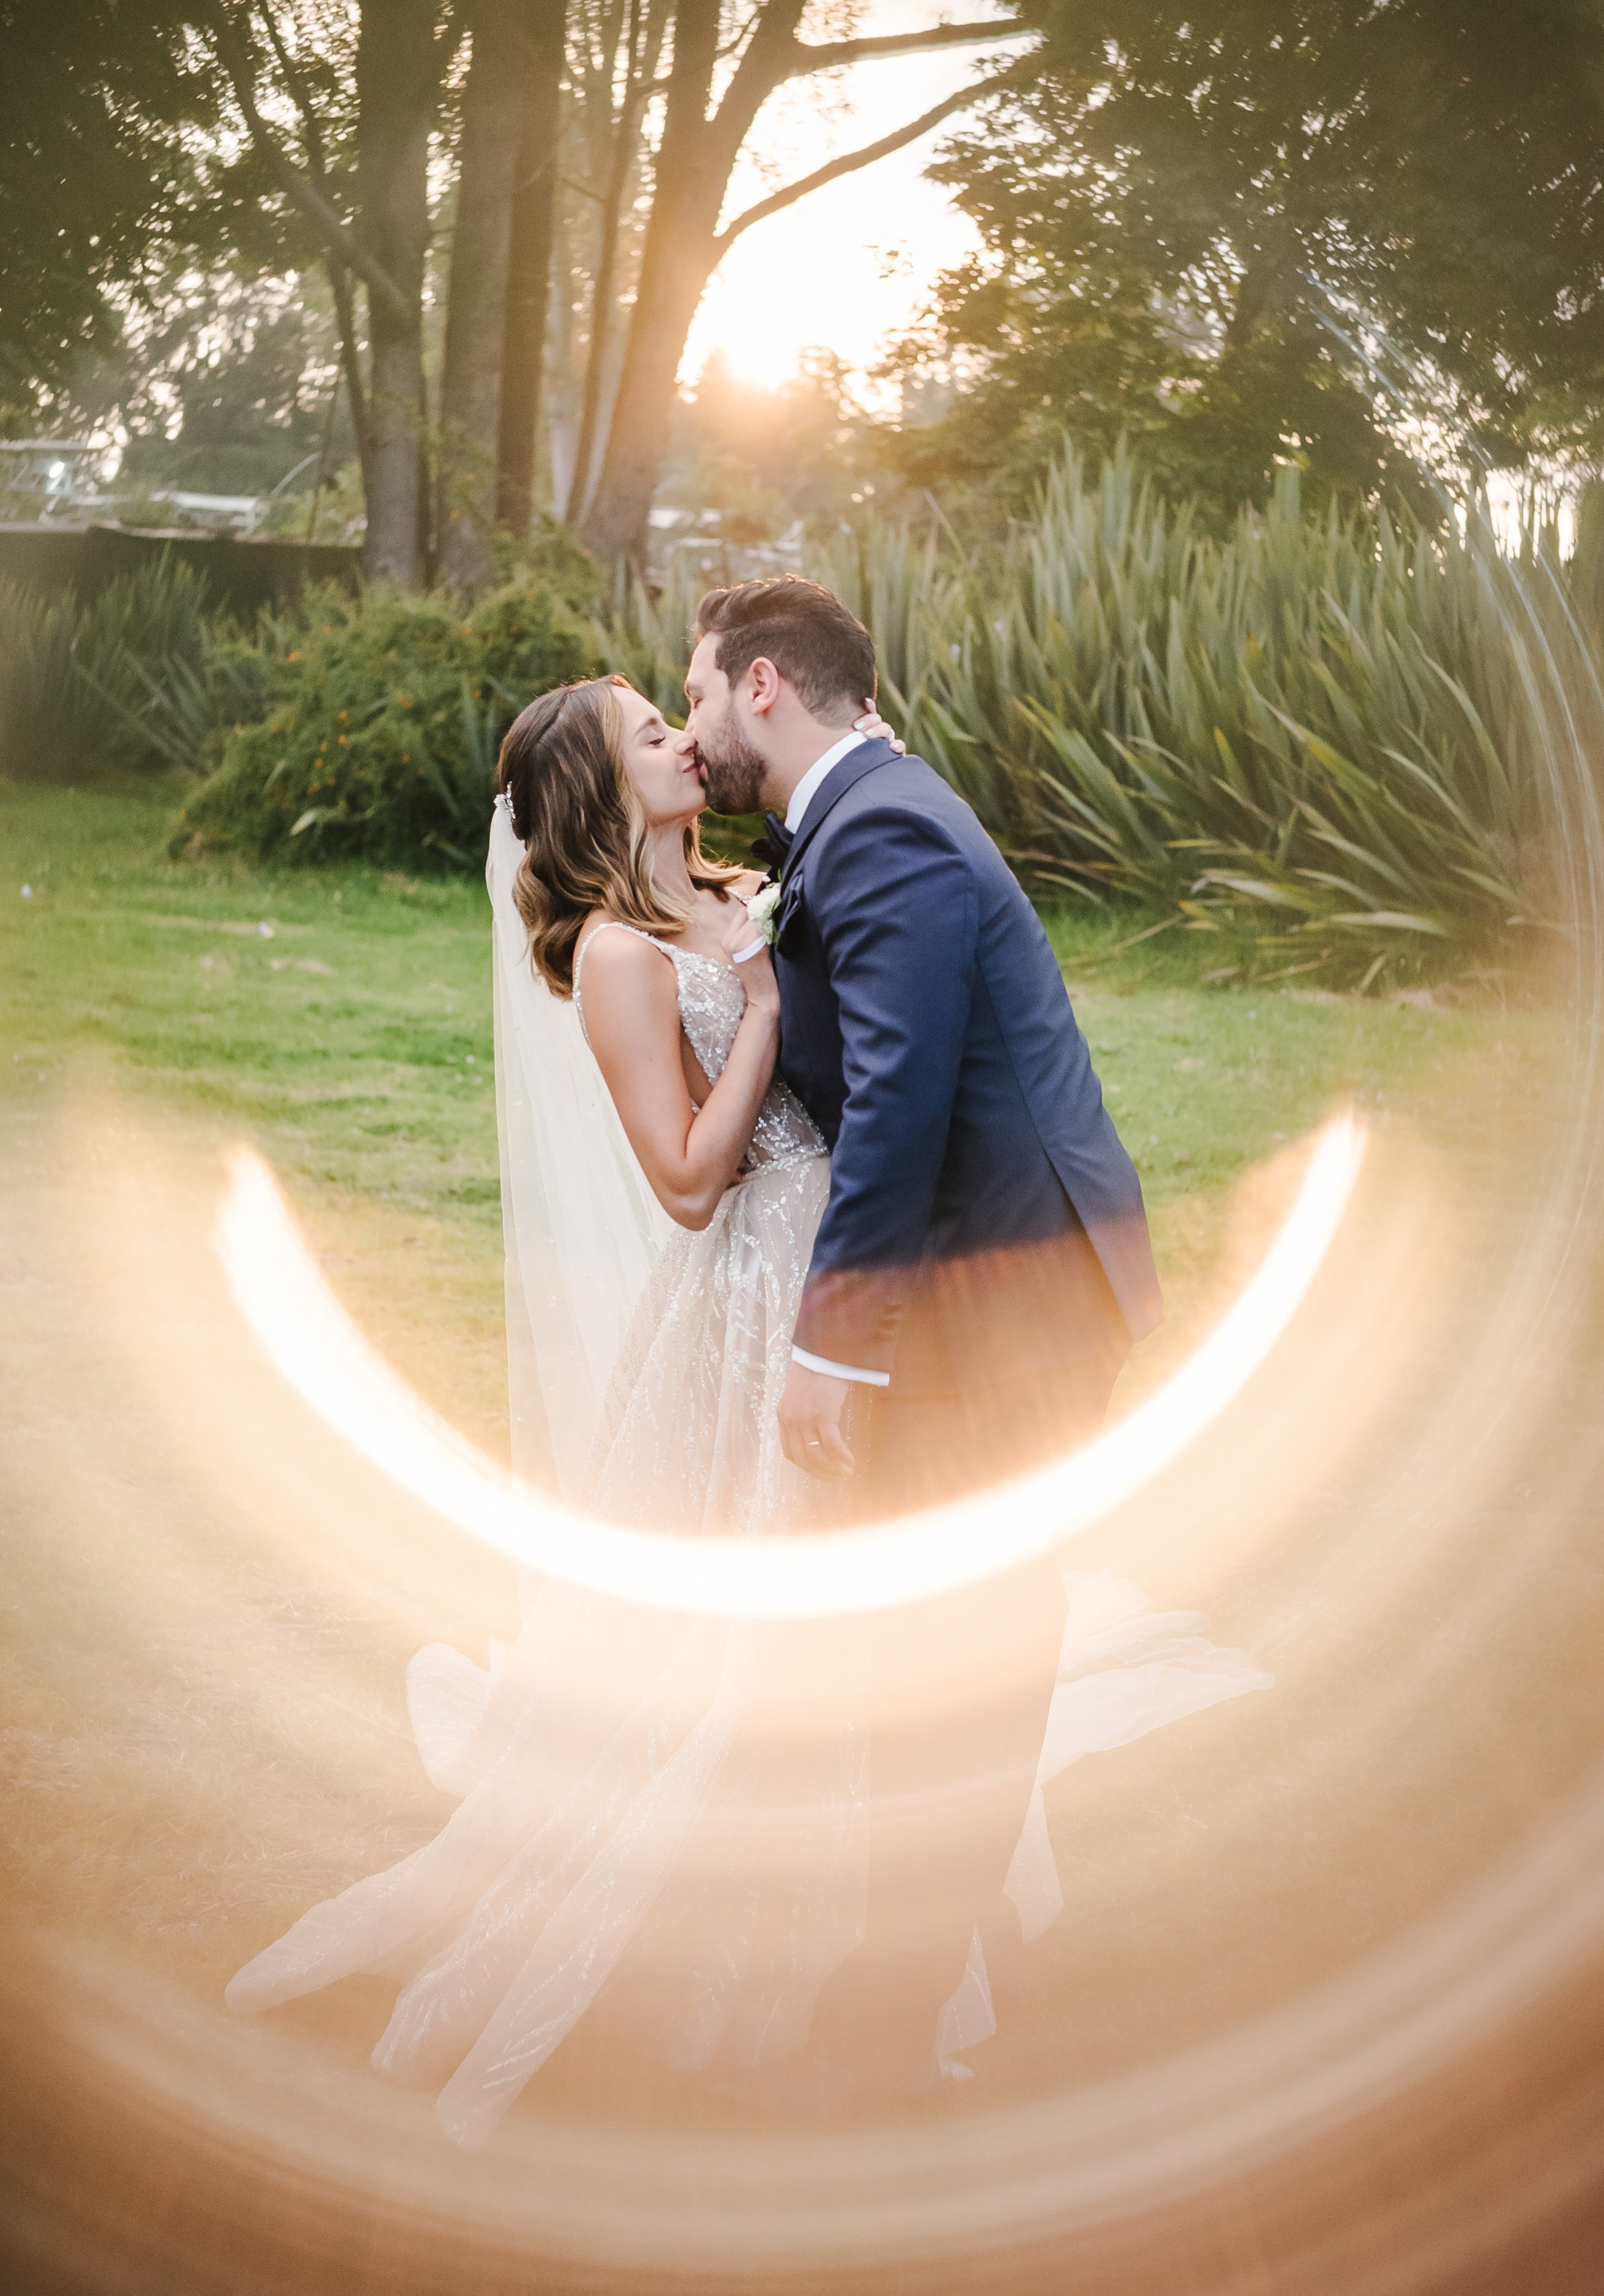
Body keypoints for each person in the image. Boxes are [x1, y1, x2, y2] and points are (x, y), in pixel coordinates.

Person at [225, 653, 1259, 2142]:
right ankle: (737, 1958)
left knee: (873, 1622)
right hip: (747, 1294)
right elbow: (688, 1179)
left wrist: (777, 975)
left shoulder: (747, 883)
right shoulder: (615, 956)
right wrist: (765, 1004)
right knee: (740, 1648)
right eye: (653, 731)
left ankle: (885, 1942)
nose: (683, 739)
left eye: (678, 710)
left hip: (845, 1274)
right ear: (599, 783)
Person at [682, 578, 1164, 2098]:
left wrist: (830, 1346)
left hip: (1007, 1307)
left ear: (763, 683)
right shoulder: (859, 817)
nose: (690, 728)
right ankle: (894, 1981)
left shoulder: (879, 825)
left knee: (963, 1652)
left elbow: (894, 1095)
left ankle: (886, 2025)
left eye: (694, 693)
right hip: (996, 1286)